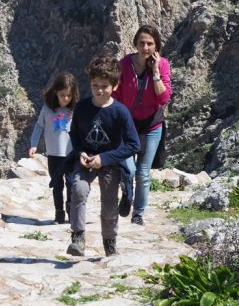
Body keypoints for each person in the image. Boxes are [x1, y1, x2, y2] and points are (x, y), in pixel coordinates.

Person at [67, 54, 140, 257]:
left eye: (104, 86)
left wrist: (105, 159)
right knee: (79, 190)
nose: (99, 90)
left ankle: (109, 241)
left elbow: (133, 144)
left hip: (110, 163)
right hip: (86, 159)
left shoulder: (120, 112)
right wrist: (80, 152)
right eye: (95, 85)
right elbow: (74, 133)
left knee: (109, 206)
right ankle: (78, 237)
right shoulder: (82, 107)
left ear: (115, 86)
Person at [113, 24, 172, 225]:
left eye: (150, 44)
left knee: (143, 172)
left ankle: (138, 214)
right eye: (142, 43)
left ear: (156, 46)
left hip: (152, 125)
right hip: (128, 125)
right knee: (128, 168)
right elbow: (116, 94)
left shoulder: (163, 65)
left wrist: (155, 72)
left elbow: (164, 97)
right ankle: (127, 193)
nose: (145, 47)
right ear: (135, 43)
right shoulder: (124, 65)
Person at [29, 72, 79, 223]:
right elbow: (39, 126)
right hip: (54, 155)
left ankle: (71, 210)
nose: (65, 99)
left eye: (69, 96)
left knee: (71, 184)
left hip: (71, 154)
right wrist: (33, 144)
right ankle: (59, 213)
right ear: (56, 92)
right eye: (62, 94)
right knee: (57, 185)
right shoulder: (47, 109)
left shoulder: (75, 110)